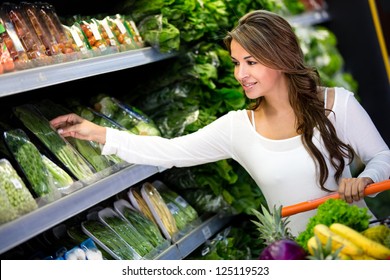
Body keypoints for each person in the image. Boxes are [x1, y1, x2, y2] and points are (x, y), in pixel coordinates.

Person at [50, 10, 390, 236]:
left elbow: (383, 158)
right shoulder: (238, 128)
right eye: (235, 63)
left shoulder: (337, 104)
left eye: (252, 62)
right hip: (296, 257)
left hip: (360, 245)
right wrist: (95, 132)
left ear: (283, 58)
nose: (241, 74)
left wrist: (367, 177)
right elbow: (171, 151)